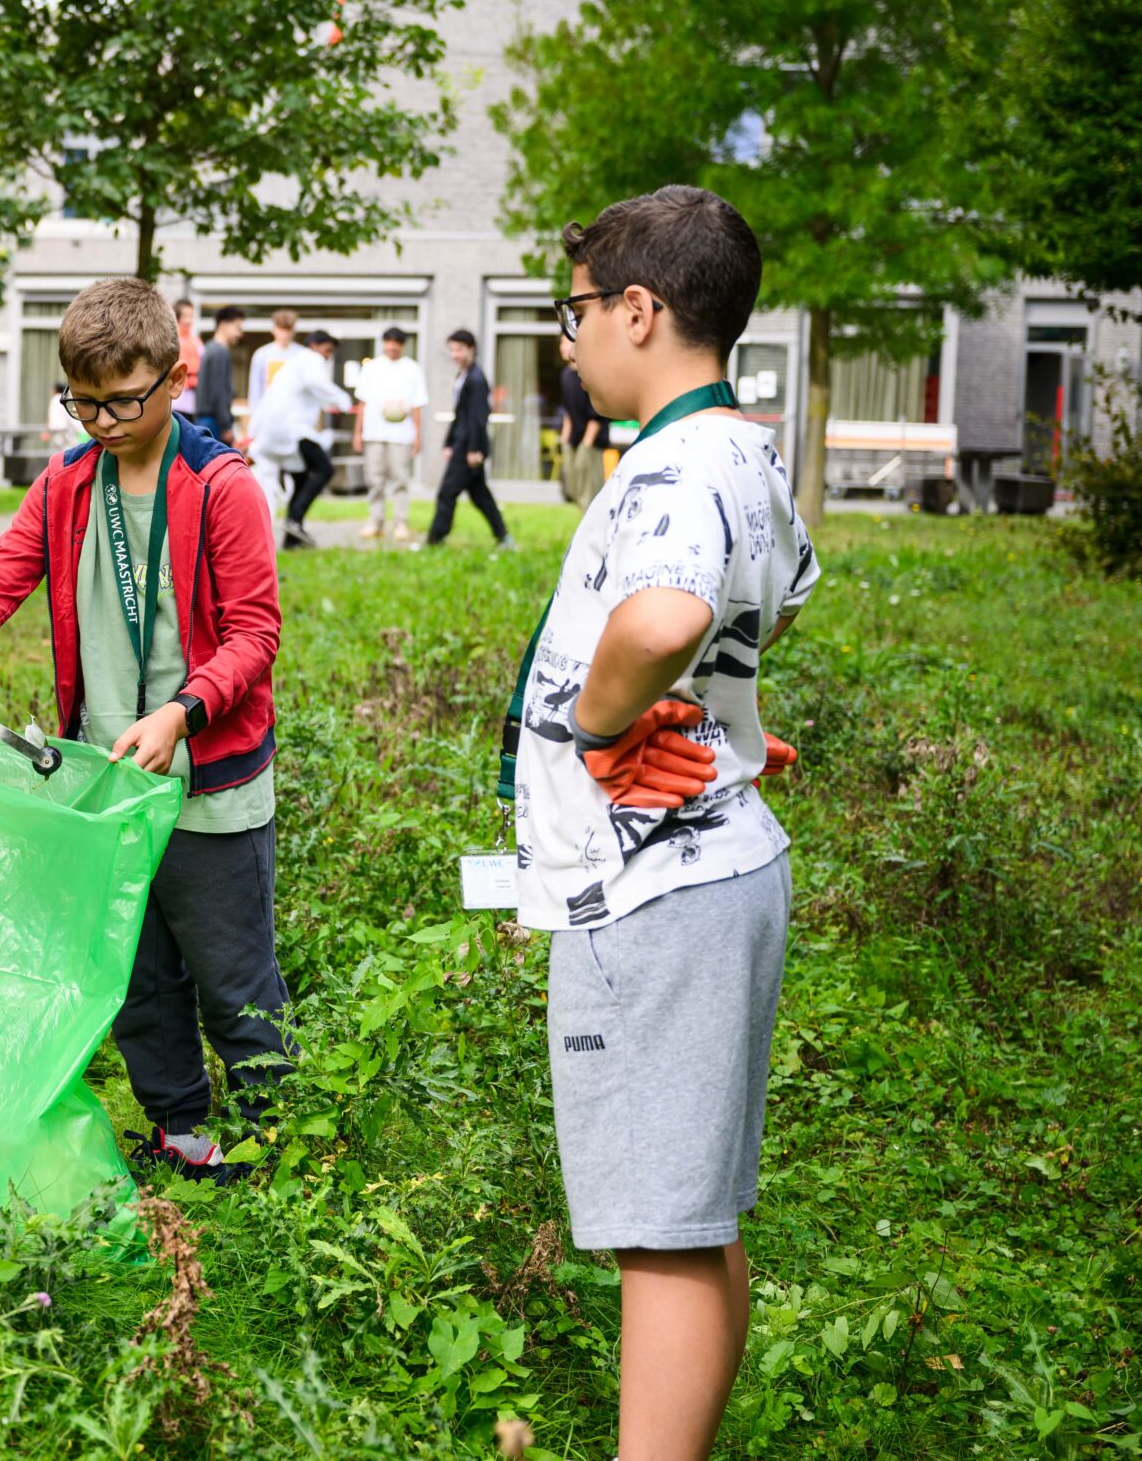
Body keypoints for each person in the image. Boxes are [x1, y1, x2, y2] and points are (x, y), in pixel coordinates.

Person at [512, 185, 817, 1461]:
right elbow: (778, 596)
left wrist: (598, 726)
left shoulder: (672, 467)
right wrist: (726, 723)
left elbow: (663, 619)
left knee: (663, 1227)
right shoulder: (744, 450)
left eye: (574, 311)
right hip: (705, 872)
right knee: (693, 1209)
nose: (567, 337)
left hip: (654, 894)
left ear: (639, 311)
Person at [0, 278, 288, 1186]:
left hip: (208, 778)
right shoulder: (67, 483)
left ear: (176, 378)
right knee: (136, 975)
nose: (102, 421)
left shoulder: (224, 490)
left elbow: (256, 634)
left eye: (123, 401)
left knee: (233, 979)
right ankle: (181, 1130)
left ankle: (277, 1144)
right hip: (107, 781)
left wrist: (182, 712)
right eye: (82, 402)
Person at [249, 329, 351, 549]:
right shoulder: (310, 359)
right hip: (291, 429)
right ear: (315, 345)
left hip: (275, 430)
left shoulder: (296, 364)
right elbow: (319, 385)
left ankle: (292, 540)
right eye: (327, 350)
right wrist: (344, 401)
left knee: (302, 479)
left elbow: (309, 393)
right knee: (324, 469)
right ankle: (294, 520)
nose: (328, 355)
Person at [424, 329, 514, 551]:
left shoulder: (476, 379)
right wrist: (448, 442)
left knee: (447, 492)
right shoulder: (463, 375)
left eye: (459, 349)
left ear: (471, 349)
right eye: (452, 350)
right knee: (479, 494)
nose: (455, 354)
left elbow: (477, 417)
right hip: (462, 444)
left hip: (469, 447)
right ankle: (503, 537)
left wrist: (474, 449)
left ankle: (435, 540)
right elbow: (460, 414)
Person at [350, 326, 429, 538]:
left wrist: (418, 435)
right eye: (389, 342)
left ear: (402, 345)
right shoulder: (371, 368)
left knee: (400, 479)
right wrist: (357, 433)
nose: (392, 346)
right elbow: (362, 403)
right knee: (374, 480)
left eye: (397, 342)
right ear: (383, 343)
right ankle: (375, 521)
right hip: (373, 433)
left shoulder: (412, 369)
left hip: (401, 435)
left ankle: (401, 522)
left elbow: (418, 405)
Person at [560, 358, 607, 510]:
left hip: (591, 444)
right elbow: (568, 411)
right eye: (562, 343)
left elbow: (597, 416)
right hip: (574, 442)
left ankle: (595, 531)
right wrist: (564, 441)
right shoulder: (566, 375)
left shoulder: (591, 373)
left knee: (590, 494)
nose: (564, 347)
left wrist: (586, 445)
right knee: (574, 491)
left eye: (568, 342)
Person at [197, 307, 243, 443]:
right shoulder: (219, 353)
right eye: (237, 328)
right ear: (223, 325)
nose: (240, 334)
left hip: (207, 420)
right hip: (214, 423)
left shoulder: (210, 349)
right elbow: (219, 392)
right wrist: (226, 426)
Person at [246, 308, 300, 409]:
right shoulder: (262, 354)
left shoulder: (301, 354)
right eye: (281, 329)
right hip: (269, 409)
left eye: (288, 330)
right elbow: (255, 389)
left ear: (293, 331)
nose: (284, 334)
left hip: (294, 411)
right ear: (274, 329)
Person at [170, 298, 202, 425]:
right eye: (186, 316)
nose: (189, 320)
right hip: (175, 401)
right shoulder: (171, 340)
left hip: (192, 401)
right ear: (177, 317)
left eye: (191, 316)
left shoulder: (196, 342)